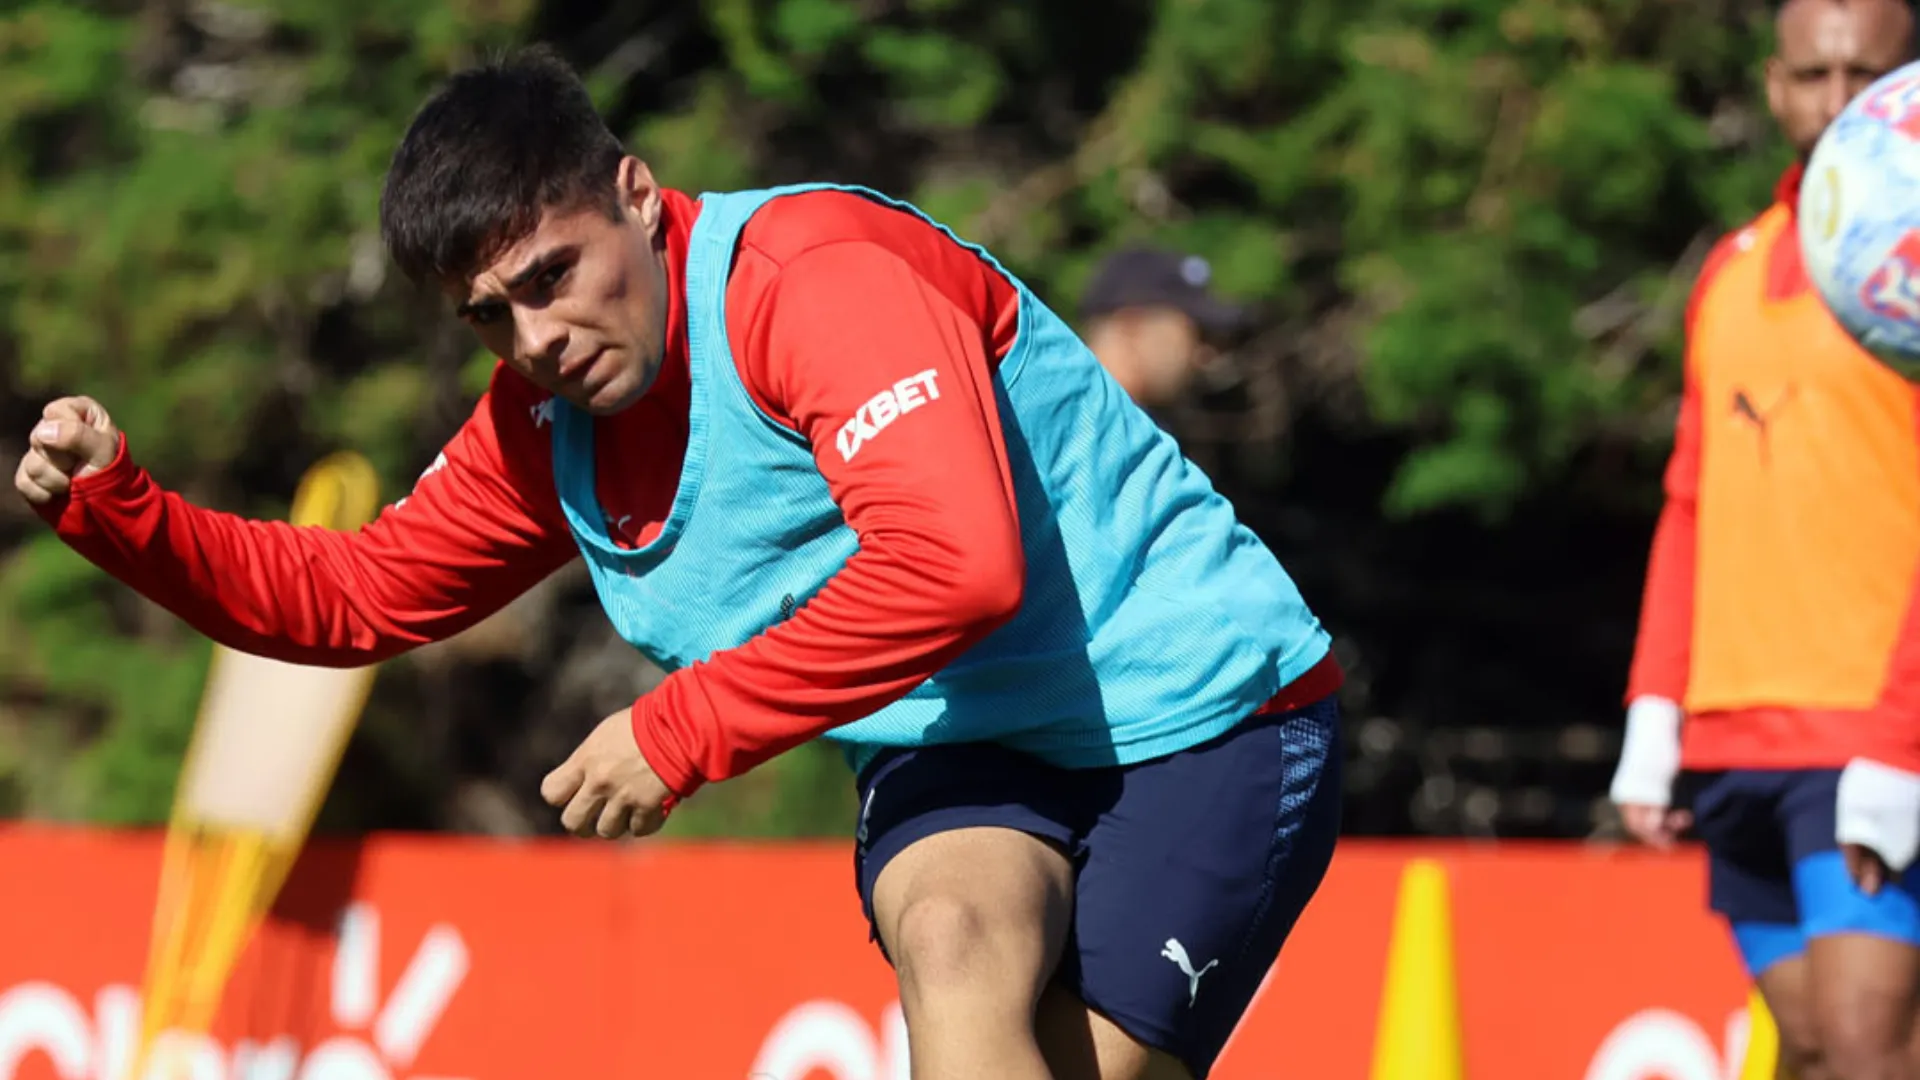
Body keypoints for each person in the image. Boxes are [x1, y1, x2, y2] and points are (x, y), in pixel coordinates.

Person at [13, 47, 1343, 1080]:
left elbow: (959, 566)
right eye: (489, 317)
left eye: (551, 275)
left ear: (639, 197)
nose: (534, 336)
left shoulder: (816, 282)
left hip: (1204, 714)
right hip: (966, 732)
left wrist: (686, 725)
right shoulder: (547, 416)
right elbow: (354, 594)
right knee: (952, 938)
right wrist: (125, 514)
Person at [1609, 2, 1920, 1077]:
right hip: (1735, 739)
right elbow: (1693, 497)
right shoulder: (1729, 271)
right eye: (1815, 75)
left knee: (1872, 1043)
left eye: (1866, 74)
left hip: (1867, 734)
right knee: (1807, 1050)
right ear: (1776, 86)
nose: (1840, 102)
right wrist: (1656, 709)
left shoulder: (1911, 272)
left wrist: (1904, 737)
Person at [1078, 246, 1248, 415]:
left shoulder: (1106, 423)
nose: (1206, 354)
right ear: (1131, 325)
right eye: (1199, 334)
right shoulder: (1072, 423)